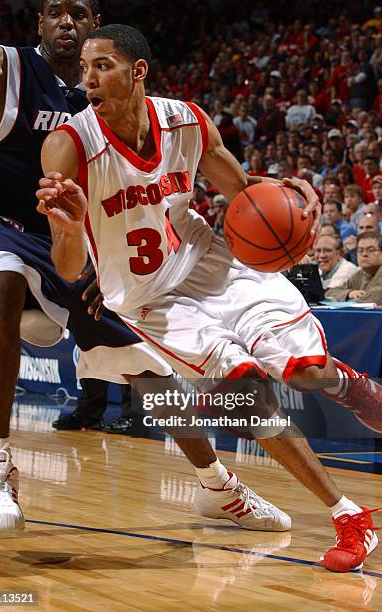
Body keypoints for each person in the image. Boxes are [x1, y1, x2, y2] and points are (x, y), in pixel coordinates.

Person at [37, 24, 382, 573]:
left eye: (101, 65)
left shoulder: (186, 121)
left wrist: (292, 199)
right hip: (150, 297)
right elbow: (68, 266)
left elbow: (245, 193)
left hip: (209, 261)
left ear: (137, 71)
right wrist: (73, 224)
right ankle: (348, 515)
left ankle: (347, 383)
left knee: (305, 371)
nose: (88, 78)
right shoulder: (68, 144)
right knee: (242, 390)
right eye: (83, 68)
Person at [0, 3, 290, 539]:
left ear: (95, 25)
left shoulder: (103, 92)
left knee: (145, 366)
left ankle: (216, 483)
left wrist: (113, 259)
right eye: (55, 12)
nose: (66, 23)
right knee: (2, 287)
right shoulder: (3, 69)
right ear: (37, 24)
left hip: (80, 241)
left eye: (78, 13)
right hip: (2, 223)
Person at [325, 231, 382, 303]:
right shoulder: (360, 274)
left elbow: (368, 301)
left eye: (371, 250)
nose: (364, 254)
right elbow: (330, 293)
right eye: (360, 250)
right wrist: (348, 293)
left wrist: (342, 298)